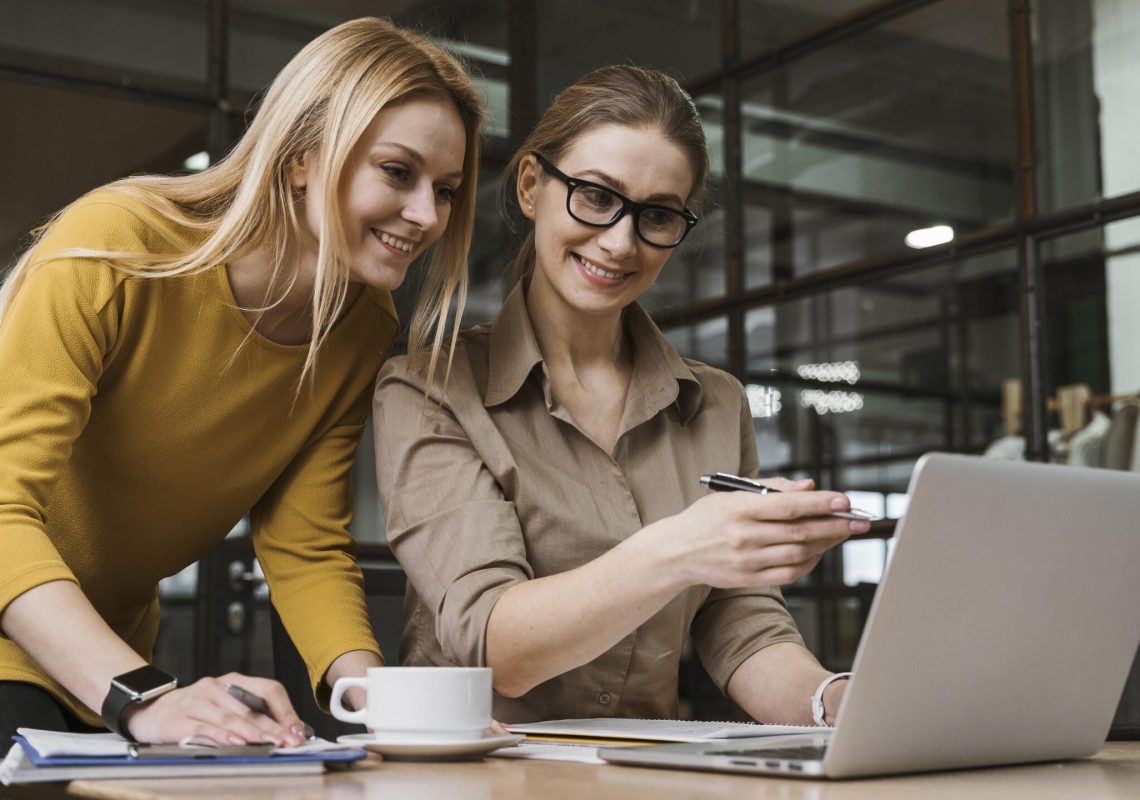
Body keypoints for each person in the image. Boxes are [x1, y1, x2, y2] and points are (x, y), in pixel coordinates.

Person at [0, 17, 483, 746]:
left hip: (100, 652)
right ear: (299, 158)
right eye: (397, 171)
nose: (426, 216)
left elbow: (304, 542)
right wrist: (143, 698)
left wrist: (386, 710)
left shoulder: (360, 326)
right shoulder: (114, 246)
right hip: (67, 653)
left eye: (445, 190)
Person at [372, 65, 864, 726]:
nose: (620, 241)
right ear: (529, 186)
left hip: (637, 770)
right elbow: (496, 645)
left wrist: (836, 704)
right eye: (596, 196)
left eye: (658, 214)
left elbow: (741, 626)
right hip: (473, 775)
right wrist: (684, 548)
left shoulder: (715, 403)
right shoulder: (427, 389)